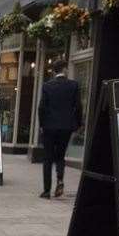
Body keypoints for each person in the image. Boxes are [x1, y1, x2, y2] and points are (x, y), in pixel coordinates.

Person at [37, 58, 82, 198]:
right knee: (60, 156)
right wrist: (78, 124)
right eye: (66, 68)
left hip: (49, 126)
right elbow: (78, 107)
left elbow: (41, 107)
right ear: (64, 69)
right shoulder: (74, 85)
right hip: (66, 127)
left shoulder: (47, 86)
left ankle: (46, 191)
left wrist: (42, 125)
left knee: (47, 158)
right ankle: (60, 180)